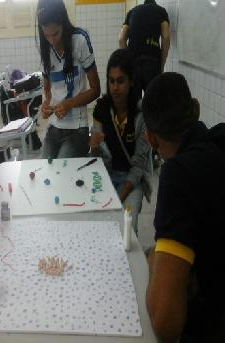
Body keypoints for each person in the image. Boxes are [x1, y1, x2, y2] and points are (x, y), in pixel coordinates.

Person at [143, 72, 225, 342]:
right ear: (196, 107)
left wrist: (156, 258)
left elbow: (165, 323)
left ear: (151, 139)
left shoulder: (178, 174)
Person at [89, 49, 152, 233]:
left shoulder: (141, 115)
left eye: (120, 81)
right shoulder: (101, 109)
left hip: (132, 181)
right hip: (107, 176)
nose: (115, 87)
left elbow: (139, 166)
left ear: (132, 81)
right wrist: (93, 147)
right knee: (99, 224)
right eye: (111, 81)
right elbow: (97, 159)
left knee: (128, 225)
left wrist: (118, 196)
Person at [37, 0, 100, 159]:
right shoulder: (45, 46)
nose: (52, 40)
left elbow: (95, 89)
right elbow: (47, 89)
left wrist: (69, 103)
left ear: (64, 24)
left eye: (56, 33)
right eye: (46, 35)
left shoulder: (80, 40)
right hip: (54, 126)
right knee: (45, 170)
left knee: (61, 173)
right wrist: (45, 104)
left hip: (77, 128)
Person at [119, 0, 170, 99]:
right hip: (152, 64)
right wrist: (162, 65)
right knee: (152, 105)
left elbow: (121, 39)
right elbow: (166, 38)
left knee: (134, 105)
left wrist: (128, 62)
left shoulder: (132, 12)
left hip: (133, 64)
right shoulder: (161, 11)